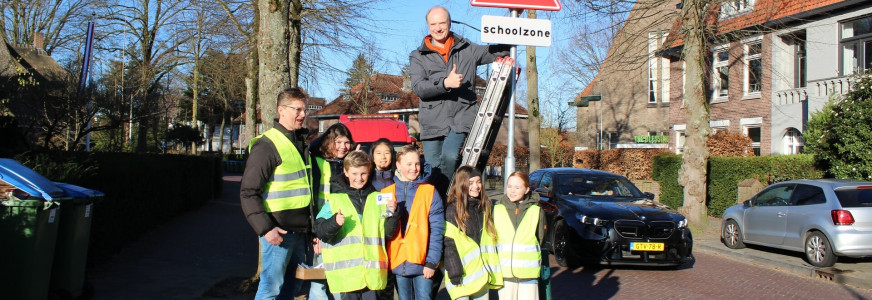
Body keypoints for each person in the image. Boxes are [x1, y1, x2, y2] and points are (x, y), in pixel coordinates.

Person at [409, 6, 511, 191]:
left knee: (449, 156)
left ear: (449, 23)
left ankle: (449, 198)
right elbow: (419, 88)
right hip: (432, 121)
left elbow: (495, 51)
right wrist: (445, 83)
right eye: (433, 24)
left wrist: (515, 25)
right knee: (433, 169)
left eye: (442, 23)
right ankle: (438, 207)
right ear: (428, 26)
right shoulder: (418, 56)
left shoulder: (467, 49)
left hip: (461, 116)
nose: (438, 28)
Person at [240, 87, 312, 300]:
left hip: (298, 231)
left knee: (291, 287)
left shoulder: (298, 142)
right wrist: (265, 229)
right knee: (270, 290)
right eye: (297, 109)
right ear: (281, 110)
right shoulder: (267, 145)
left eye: (304, 110)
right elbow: (248, 192)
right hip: (278, 232)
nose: (303, 115)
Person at [314, 151, 400, 300]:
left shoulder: (377, 198)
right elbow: (320, 230)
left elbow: (386, 234)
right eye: (354, 173)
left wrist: (393, 213)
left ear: (369, 172)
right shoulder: (334, 200)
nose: (359, 178)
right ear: (346, 172)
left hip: (372, 275)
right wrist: (334, 222)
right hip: (348, 277)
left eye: (363, 174)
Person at [383, 144, 444, 300]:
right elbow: (383, 230)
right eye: (408, 164)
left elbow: (437, 230)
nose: (414, 168)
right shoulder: (386, 193)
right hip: (397, 261)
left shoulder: (429, 191)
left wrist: (432, 262)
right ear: (398, 165)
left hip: (422, 262)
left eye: (417, 163)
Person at [308, 123, 356, 300]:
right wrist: (315, 234)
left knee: (339, 278)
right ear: (329, 142)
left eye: (346, 142)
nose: (343, 147)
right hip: (322, 228)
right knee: (318, 281)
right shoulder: (318, 163)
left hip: (342, 228)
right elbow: (313, 201)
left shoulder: (348, 165)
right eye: (338, 142)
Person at [442, 166, 502, 300]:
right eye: (470, 183)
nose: (476, 186)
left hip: (481, 274)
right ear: (462, 184)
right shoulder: (452, 210)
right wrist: (454, 272)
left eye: (478, 181)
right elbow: (449, 244)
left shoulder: (484, 207)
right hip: (460, 276)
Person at [493, 171, 547, 300]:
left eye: (517, 187)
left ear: (527, 189)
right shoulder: (497, 209)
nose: (512, 191)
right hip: (505, 272)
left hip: (528, 273)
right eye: (509, 186)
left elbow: (541, 238)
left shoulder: (536, 211)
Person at [369, 138, 398, 300]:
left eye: (387, 153)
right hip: (374, 236)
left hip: (393, 236)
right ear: (372, 157)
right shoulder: (367, 179)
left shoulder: (398, 178)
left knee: (389, 285)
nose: (383, 157)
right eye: (378, 153)